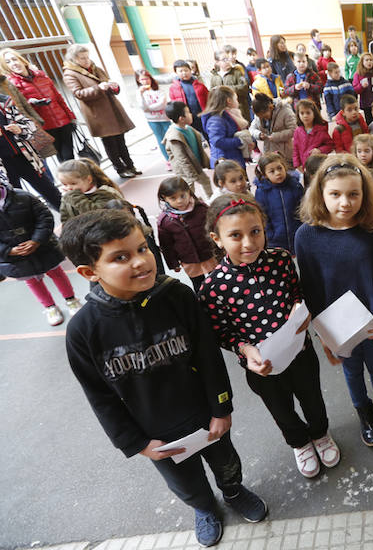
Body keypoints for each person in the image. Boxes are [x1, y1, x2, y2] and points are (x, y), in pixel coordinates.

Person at [61, 209, 267, 547]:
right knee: (186, 483)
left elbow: (207, 355)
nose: (141, 262)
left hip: (204, 415)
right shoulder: (83, 330)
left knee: (226, 463)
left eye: (143, 249)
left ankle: (233, 492)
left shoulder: (177, 296)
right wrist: (137, 443)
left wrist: (221, 408)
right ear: (89, 271)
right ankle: (204, 508)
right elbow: (100, 396)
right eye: (121, 257)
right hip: (155, 432)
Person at [199, 194, 338, 481]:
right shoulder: (213, 286)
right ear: (217, 238)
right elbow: (223, 332)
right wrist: (244, 351)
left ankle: (320, 434)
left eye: (255, 232)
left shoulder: (281, 259)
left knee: (313, 399)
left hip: (300, 352)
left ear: (264, 228)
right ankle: (299, 443)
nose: (248, 243)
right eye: (235, 235)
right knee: (281, 410)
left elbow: (296, 292)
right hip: (262, 366)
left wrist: (302, 311)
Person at [295, 155, 373, 446]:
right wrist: (323, 334)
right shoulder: (307, 235)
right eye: (335, 194)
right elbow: (311, 287)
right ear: (321, 194)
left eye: (354, 194)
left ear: (364, 195)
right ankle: (364, 413)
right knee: (352, 371)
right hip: (338, 326)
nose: (345, 203)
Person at [0, 168, 81, 325]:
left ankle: (71, 299)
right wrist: (8, 250)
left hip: (42, 247)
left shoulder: (23, 196)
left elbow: (44, 217)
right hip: (15, 256)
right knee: (32, 281)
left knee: (56, 272)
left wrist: (37, 240)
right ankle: (50, 307)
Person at [62, 44, 138, 178]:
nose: (87, 60)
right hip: (98, 114)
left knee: (121, 140)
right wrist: (98, 88)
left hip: (112, 109)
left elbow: (106, 82)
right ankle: (120, 169)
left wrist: (113, 86)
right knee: (110, 144)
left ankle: (130, 166)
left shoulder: (95, 68)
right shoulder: (70, 74)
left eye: (87, 57)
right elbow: (78, 93)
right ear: (74, 59)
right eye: (82, 58)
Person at [1, 47, 77, 161]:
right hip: (45, 125)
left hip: (63, 121)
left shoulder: (41, 76)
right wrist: (32, 103)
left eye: (14, 59)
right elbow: (19, 108)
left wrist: (70, 116)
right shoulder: (12, 84)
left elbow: (58, 97)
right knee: (63, 158)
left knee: (70, 155)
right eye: (8, 62)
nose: (13, 63)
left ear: (22, 60)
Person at [0, 92, 61, 210]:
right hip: (3, 168)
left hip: (25, 157)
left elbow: (28, 124)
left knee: (52, 193)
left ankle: (73, 220)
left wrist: (20, 129)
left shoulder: (4, 102)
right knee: (17, 206)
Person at [155, 176, 217, 291]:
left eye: (182, 196)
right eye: (173, 198)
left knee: (218, 280)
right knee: (199, 285)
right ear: (165, 198)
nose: (179, 201)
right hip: (189, 259)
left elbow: (214, 227)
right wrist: (173, 263)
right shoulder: (165, 221)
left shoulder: (201, 208)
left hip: (209, 253)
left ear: (188, 192)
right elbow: (166, 245)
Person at [253, 152, 304, 252]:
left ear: (284, 167)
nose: (277, 173)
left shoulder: (295, 186)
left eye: (279, 168)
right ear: (265, 175)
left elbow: (302, 208)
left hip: (297, 234)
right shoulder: (262, 192)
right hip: (276, 240)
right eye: (272, 171)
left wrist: (302, 227)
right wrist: (270, 234)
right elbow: (262, 215)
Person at [163, 102, 213, 198]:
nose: (191, 114)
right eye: (188, 112)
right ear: (181, 119)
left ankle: (210, 199)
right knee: (187, 189)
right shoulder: (174, 136)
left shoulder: (188, 129)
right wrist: (191, 175)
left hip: (195, 165)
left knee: (205, 181)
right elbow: (181, 158)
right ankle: (189, 205)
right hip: (184, 171)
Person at [57, 158, 124, 222]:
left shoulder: (104, 193)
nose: (69, 188)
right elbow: (65, 219)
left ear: (89, 179)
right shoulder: (68, 197)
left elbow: (96, 215)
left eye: (73, 183)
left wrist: (74, 196)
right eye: (65, 184)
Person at [202, 86, 251, 167]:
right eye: (236, 99)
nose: (238, 102)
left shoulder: (230, 115)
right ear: (229, 101)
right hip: (224, 161)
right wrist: (240, 141)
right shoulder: (216, 120)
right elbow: (217, 141)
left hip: (233, 157)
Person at [249, 94, 297, 167]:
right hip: (269, 154)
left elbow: (294, 130)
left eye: (265, 116)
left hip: (285, 154)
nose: (264, 119)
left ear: (270, 108)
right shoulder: (259, 114)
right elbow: (252, 128)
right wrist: (258, 134)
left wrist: (275, 136)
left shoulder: (285, 111)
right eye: (260, 117)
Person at [168, 60, 209, 138]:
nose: (184, 73)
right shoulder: (173, 88)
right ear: (176, 73)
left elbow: (209, 99)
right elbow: (174, 106)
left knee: (208, 135)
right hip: (187, 118)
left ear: (190, 71)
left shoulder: (200, 85)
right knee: (193, 138)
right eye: (181, 71)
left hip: (202, 115)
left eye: (186, 70)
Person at [209, 50, 250, 123]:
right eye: (224, 60)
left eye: (228, 59)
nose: (228, 61)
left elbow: (244, 87)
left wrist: (226, 90)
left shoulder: (237, 72)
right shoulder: (214, 77)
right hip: (223, 112)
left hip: (239, 109)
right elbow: (212, 93)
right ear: (217, 62)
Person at [292, 99, 333, 168]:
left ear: (314, 114)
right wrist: (297, 165)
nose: (305, 116)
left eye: (308, 113)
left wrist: (320, 150)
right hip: (304, 167)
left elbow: (330, 145)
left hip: (320, 165)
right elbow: (295, 150)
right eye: (302, 113)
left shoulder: (321, 130)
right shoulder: (297, 132)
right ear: (298, 115)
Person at [352, 52, 373, 123]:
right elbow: (355, 90)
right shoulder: (358, 74)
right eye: (367, 60)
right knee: (369, 122)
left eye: (371, 60)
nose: (369, 62)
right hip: (366, 103)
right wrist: (361, 86)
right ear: (362, 62)